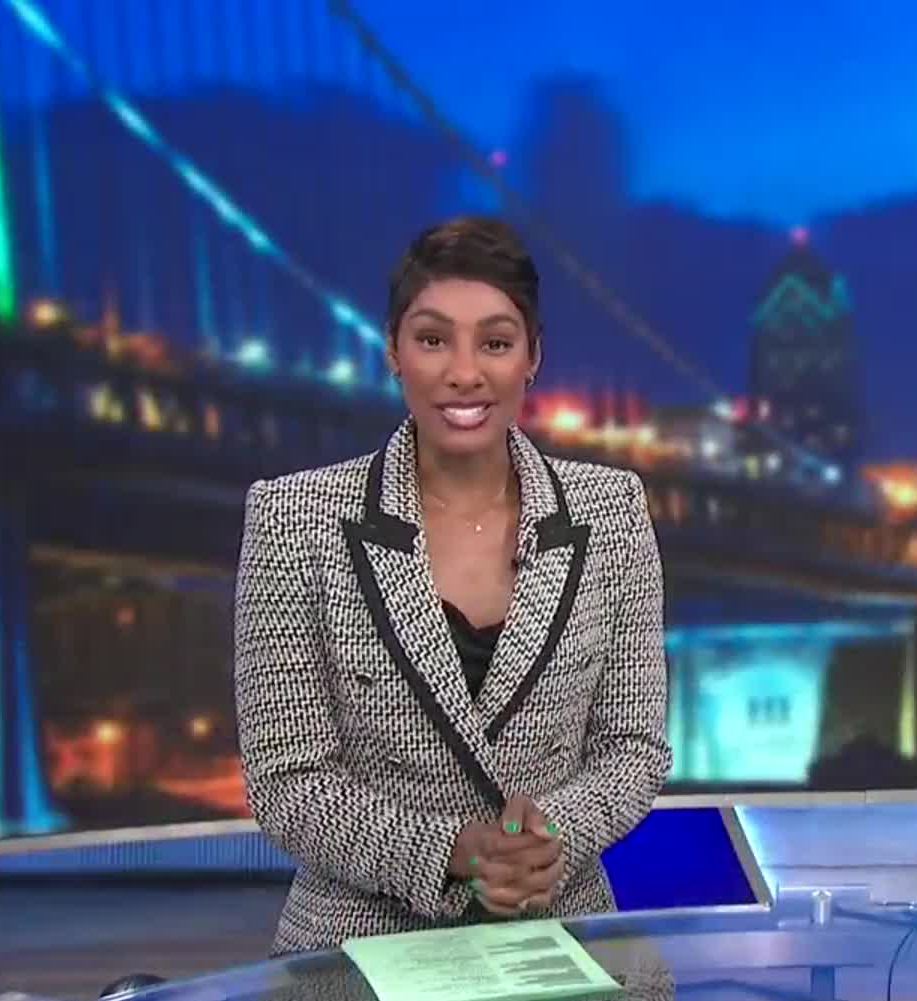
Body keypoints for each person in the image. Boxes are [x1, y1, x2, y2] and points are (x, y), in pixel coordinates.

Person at [233, 216, 671, 955]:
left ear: (533, 357)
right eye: (433, 339)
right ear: (392, 351)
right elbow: (287, 778)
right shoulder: (292, 519)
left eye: (495, 343)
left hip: (560, 934)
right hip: (358, 946)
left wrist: (550, 841)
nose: (464, 373)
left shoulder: (611, 512)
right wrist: (451, 853)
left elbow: (633, 748)